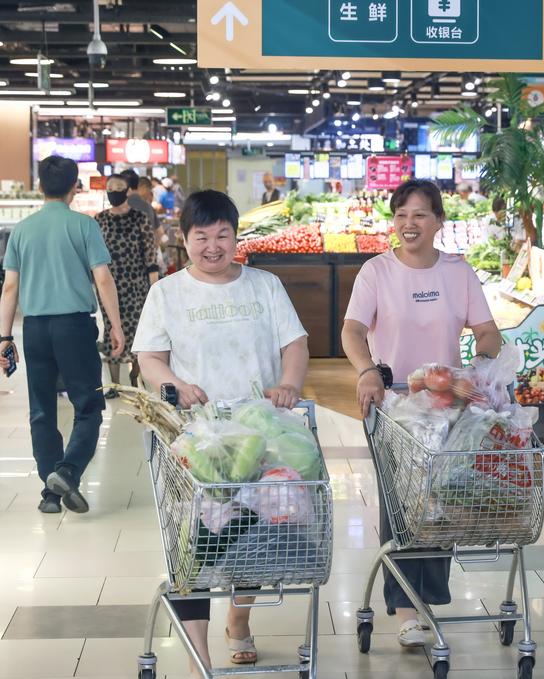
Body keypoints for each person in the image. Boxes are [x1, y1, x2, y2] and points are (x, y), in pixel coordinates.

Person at [133, 189, 309, 674]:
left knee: (253, 531)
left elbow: (295, 344)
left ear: (236, 237)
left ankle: (239, 618)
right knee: (193, 542)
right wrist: (174, 385)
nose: (213, 246)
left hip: (258, 433)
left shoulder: (264, 285)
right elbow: (149, 357)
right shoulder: (167, 293)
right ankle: (199, 660)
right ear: (184, 239)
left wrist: (289, 384)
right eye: (201, 236)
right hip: (196, 439)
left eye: (222, 235)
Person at [341, 179, 502, 648]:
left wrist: (482, 365)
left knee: (442, 501)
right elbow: (352, 330)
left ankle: (426, 596)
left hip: (447, 406)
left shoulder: (458, 272)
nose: (408, 224)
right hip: (393, 407)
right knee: (400, 503)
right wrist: (366, 371)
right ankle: (406, 608)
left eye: (419, 215)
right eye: (401, 215)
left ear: (438, 222)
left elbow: (488, 331)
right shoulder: (376, 271)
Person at [0, 155, 125, 515]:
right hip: (74, 327)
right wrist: (116, 325)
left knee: (42, 409)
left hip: (35, 329)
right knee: (89, 406)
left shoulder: (22, 230)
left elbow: (10, 288)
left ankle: (50, 493)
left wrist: (5, 337)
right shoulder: (84, 226)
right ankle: (68, 472)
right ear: (75, 187)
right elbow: (103, 279)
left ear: (41, 186)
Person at [95, 173, 159, 396]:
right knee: (111, 329)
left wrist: (154, 287)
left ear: (128, 190)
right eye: (110, 188)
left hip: (136, 285)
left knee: (137, 331)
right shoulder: (99, 220)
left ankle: (135, 377)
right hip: (108, 285)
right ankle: (114, 385)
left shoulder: (140, 218)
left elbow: (150, 254)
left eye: (119, 187)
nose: (114, 192)